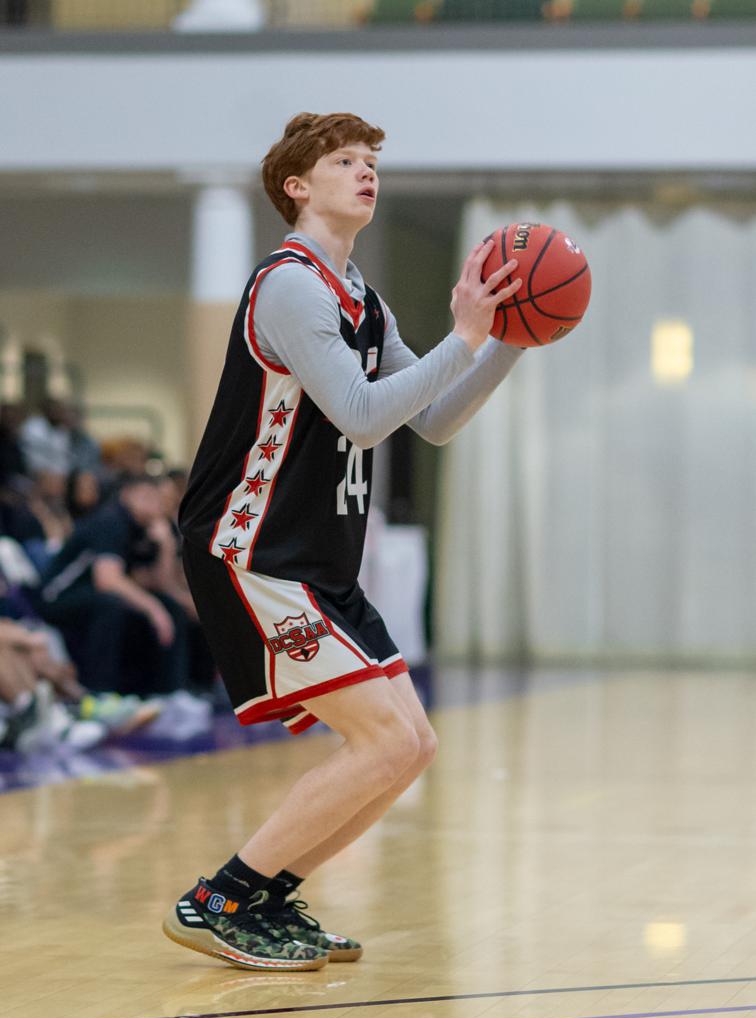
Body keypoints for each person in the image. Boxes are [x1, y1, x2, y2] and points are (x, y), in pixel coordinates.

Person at [163, 112, 524, 972]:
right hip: (252, 549)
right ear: (297, 185)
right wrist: (465, 335)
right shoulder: (290, 285)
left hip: (317, 561)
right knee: (388, 741)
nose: (368, 173)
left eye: (373, 162)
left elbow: (429, 420)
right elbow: (362, 419)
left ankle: (267, 898)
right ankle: (219, 899)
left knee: (413, 744)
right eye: (346, 161)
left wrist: (508, 341)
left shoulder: (361, 295)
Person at [34, 474, 190, 697]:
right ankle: (99, 692)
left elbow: (161, 583)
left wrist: (166, 546)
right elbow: (107, 580)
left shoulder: (149, 529)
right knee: (113, 606)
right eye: (146, 497)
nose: (154, 505)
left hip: (94, 594)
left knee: (171, 606)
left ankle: (171, 694)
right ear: (127, 495)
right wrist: (153, 608)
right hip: (56, 595)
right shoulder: (111, 520)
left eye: (158, 500)